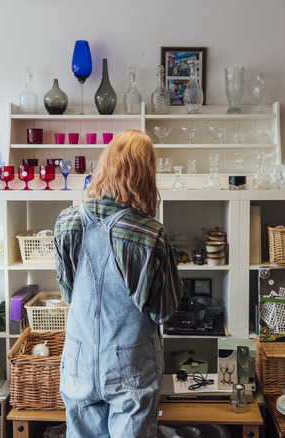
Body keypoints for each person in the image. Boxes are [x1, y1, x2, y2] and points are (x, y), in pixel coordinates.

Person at [54, 129, 182, 437]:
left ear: (106, 165)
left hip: (78, 358)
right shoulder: (152, 235)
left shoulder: (66, 222)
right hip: (132, 362)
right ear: (145, 175)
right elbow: (163, 312)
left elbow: (69, 293)